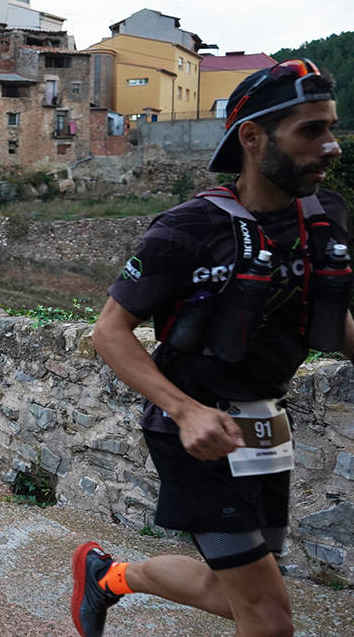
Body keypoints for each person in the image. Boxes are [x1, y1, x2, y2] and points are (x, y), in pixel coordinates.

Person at [71, 59, 353, 637]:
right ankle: (106, 576)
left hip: (266, 427)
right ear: (252, 138)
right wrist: (186, 409)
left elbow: (332, 318)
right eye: (310, 131)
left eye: (332, 129)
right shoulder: (189, 227)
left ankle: (107, 576)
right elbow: (109, 332)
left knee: (237, 596)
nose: (332, 148)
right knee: (270, 619)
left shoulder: (324, 219)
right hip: (192, 432)